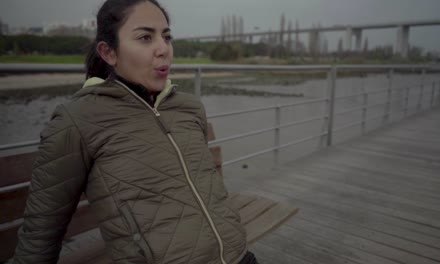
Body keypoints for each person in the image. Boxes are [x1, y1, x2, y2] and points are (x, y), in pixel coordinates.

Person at [13, 0, 258, 263]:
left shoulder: (189, 108)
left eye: (167, 36)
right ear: (109, 53)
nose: (163, 49)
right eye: (145, 37)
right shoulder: (77, 120)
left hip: (239, 255)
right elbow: (38, 239)